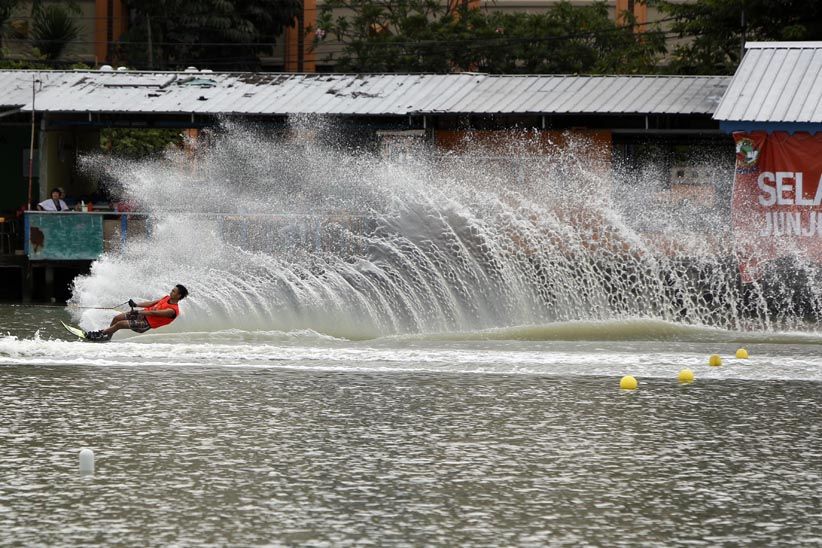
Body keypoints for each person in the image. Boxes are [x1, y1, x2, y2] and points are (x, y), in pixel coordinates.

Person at [85, 284, 189, 341]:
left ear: (179, 296)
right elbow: (152, 303)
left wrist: (141, 313)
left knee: (120, 324)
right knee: (117, 318)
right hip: (142, 314)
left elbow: (155, 314)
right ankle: (107, 337)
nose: (171, 292)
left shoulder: (173, 310)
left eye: (174, 291)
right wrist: (136, 305)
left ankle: (100, 333)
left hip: (146, 324)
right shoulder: (166, 298)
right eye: (172, 290)